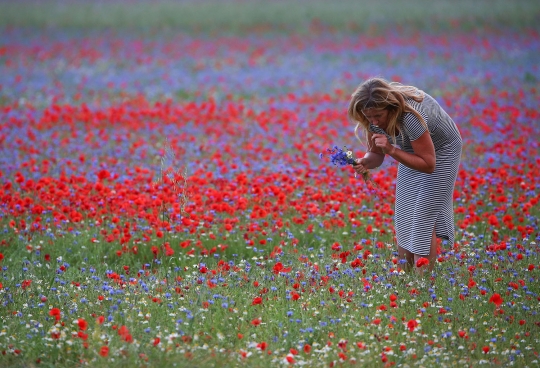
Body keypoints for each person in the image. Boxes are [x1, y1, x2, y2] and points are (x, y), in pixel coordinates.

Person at [348, 77, 462, 275]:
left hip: (441, 151)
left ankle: (422, 283)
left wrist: (392, 149)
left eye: (378, 116)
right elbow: (376, 154)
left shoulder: (409, 117)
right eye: (368, 117)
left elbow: (428, 164)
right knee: (405, 213)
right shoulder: (372, 117)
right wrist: (365, 161)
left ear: (390, 108)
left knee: (422, 217)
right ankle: (405, 277)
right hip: (410, 149)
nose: (373, 122)